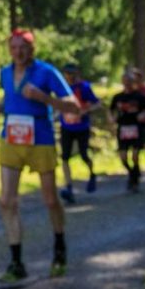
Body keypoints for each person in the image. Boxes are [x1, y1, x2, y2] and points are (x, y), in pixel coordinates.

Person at [0, 28, 80, 281]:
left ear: (32, 49)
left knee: (50, 200)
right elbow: (12, 99)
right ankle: (16, 263)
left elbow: (74, 107)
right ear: (9, 49)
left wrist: (43, 98)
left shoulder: (47, 72)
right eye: (14, 47)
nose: (18, 52)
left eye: (23, 47)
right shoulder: (5, 72)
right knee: (6, 200)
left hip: (41, 138)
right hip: (11, 138)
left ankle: (59, 248)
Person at [57, 62, 100, 203]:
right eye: (67, 73)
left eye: (72, 73)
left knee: (83, 154)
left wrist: (85, 111)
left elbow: (97, 103)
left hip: (82, 127)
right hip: (66, 127)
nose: (69, 76)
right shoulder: (61, 88)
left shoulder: (84, 87)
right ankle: (69, 187)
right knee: (64, 157)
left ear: (77, 73)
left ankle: (92, 175)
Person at [109, 71, 145, 193]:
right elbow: (110, 110)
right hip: (123, 128)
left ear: (134, 83)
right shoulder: (118, 97)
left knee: (135, 155)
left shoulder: (141, 96)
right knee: (123, 157)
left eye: (130, 82)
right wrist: (111, 118)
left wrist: (143, 115)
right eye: (125, 81)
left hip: (136, 128)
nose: (127, 84)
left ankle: (134, 179)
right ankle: (133, 174)